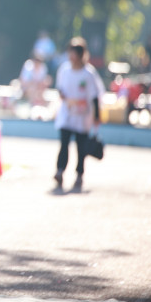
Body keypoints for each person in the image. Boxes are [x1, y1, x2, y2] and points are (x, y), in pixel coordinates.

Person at [53, 37, 104, 192]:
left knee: (81, 147)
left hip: (82, 116)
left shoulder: (88, 74)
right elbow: (60, 88)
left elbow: (94, 96)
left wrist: (97, 116)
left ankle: (79, 174)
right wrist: (64, 97)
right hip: (67, 113)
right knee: (64, 143)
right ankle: (60, 170)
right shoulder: (64, 70)